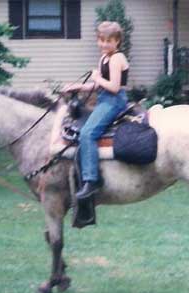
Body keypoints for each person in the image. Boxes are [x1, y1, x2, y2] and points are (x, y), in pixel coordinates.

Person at [63, 21, 129, 200]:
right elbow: (99, 85)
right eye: (101, 40)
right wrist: (76, 86)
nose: (104, 44)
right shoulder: (104, 57)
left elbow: (114, 87)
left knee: (87, 133)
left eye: (109, 41)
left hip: (114, 101)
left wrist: (98, 77)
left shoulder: (117, 58)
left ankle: (92, 180)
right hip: (103, 99)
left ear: (117, 41)